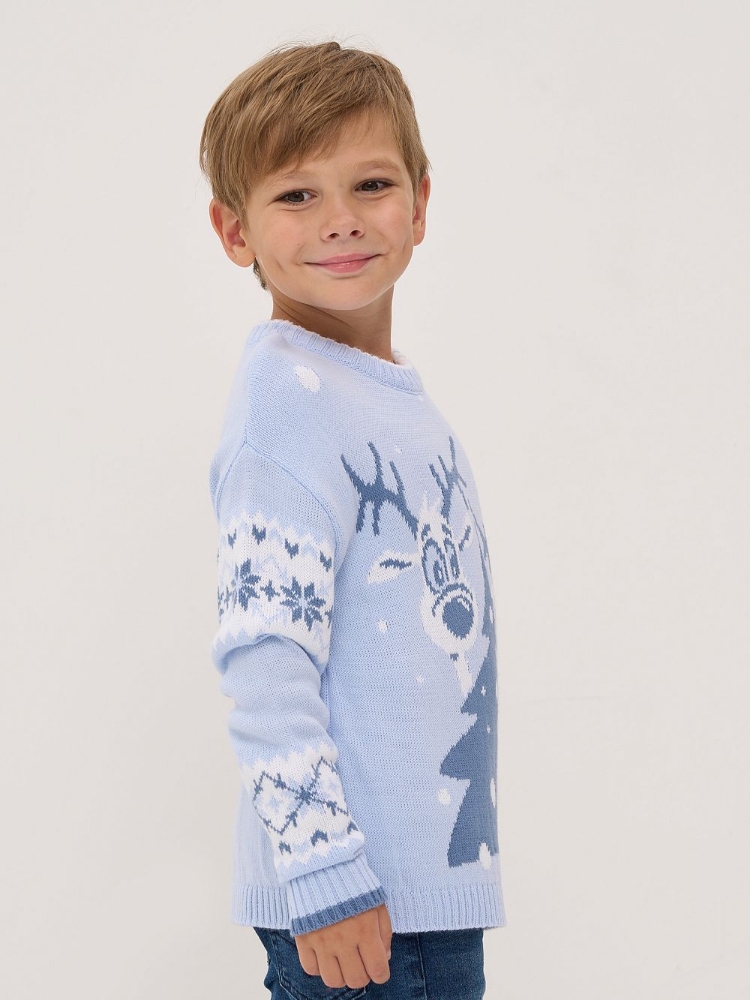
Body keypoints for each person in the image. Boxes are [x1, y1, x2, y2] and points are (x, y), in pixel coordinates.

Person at [199, 40, 506, 999]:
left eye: (370, 184)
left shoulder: (388, 397)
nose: (341, 219)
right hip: (357, 907)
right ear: (235, 229)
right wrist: (326, 872)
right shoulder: (286, 406)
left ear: (420, 202)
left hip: (425, 896)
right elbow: (265, 661)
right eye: (296, 194)